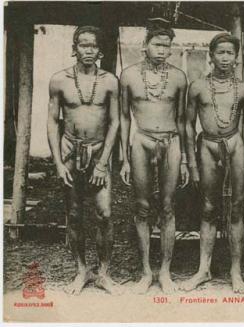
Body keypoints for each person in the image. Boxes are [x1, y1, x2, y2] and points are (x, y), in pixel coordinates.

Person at [47, 26, 120, 295]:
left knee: (105, 213)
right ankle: (81, 271)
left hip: (99, 151)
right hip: (69, 151)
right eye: (83, 45)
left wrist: (103, 163)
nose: (88, 50)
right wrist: (57, 162)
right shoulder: (59, 80)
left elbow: (115, 122)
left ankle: (103, 273)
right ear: (74, 47)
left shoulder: (110, 81)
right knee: (75, 215)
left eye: (93, 46)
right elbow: (52, 122)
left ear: (100, 50)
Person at [119, 18, 189, 294]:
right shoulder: (129, 75)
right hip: (142, 141)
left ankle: (166, 272)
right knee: (142, 206)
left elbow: (183, 121)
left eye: (167, 46)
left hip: (171, 142)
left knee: (169, 206)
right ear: (145, 46)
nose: (162, 50)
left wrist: (184, 158)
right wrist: (124, 157)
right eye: (157, 44)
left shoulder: (179, 77)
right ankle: (146, 272)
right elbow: (124, 117)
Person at [181, 33, 244, 294]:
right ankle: (203, 269)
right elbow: (187, 125)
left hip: (235, 146)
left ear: (236, 57)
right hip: (207, 146)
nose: (224, 57)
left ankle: (236, 271)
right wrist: (191, 162)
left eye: (229, 53)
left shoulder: (243, 89)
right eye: (219, 52)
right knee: (209, 208)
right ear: (211, 56)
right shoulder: (197, 86)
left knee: (236, 208)